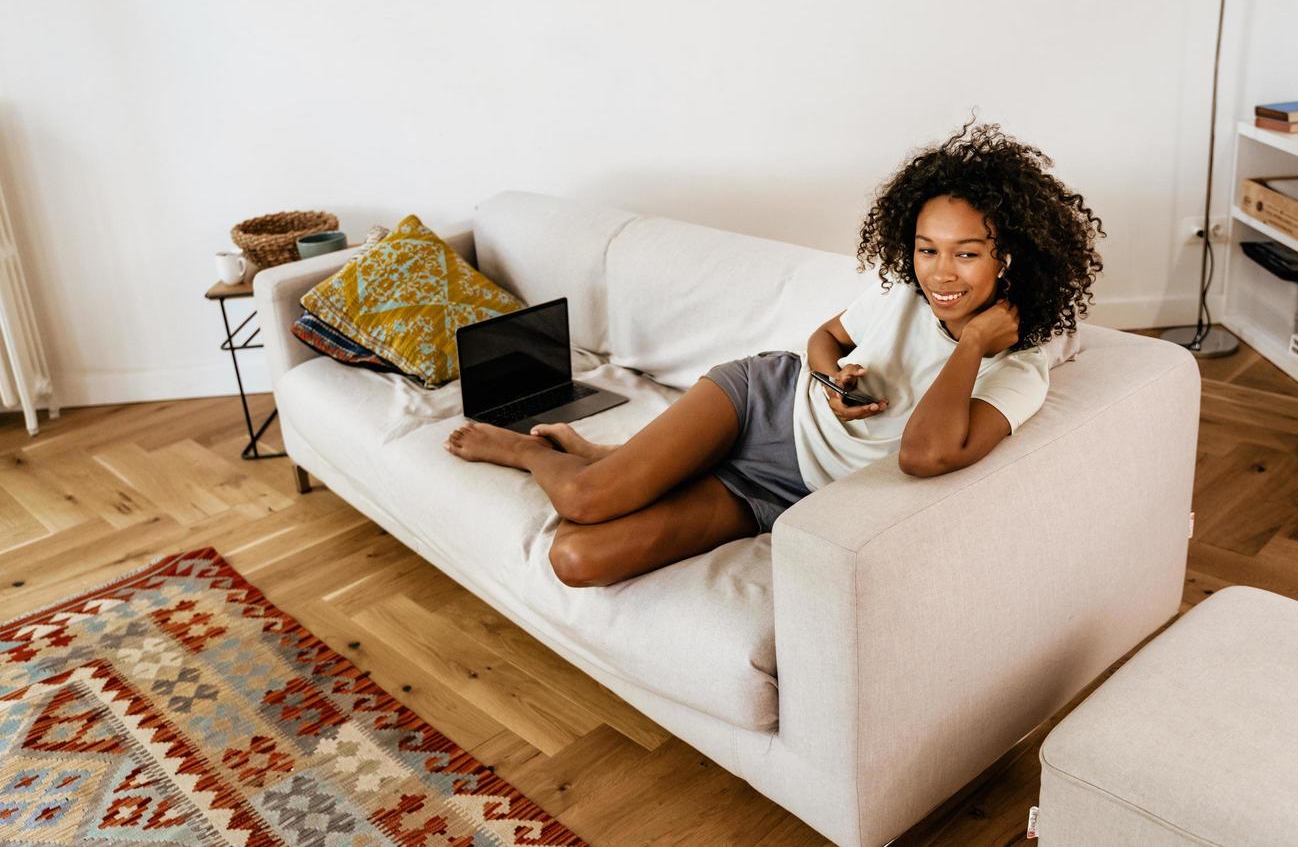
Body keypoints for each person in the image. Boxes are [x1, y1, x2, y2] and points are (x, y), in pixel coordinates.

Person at [444, 119, 1105, 587]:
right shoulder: (902, 294)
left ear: (1008, 255)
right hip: (762, 405)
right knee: (585, 500)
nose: (939, 274)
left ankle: (611, 457)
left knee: (576, 560)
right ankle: (531, 450)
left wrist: (976, 346)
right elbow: (824, 340)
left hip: (783, 492)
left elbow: (924, 453)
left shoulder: (1019, 372)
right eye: (927, 249)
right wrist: (827, 381)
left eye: (966, 253)